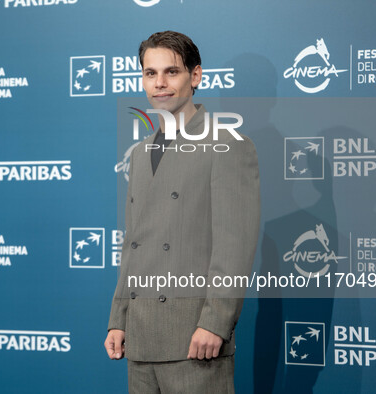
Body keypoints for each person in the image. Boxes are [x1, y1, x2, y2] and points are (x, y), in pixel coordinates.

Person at [104, 31, 260, 394]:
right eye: (150, 73)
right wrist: (119, 319)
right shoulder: (140, 154)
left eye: (171, 72)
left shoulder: (227, 145)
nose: (159, 83)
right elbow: (134, 245)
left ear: (196, 76)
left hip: (194, 340)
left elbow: (233, 246)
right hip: (140, 341)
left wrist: (216, 324)